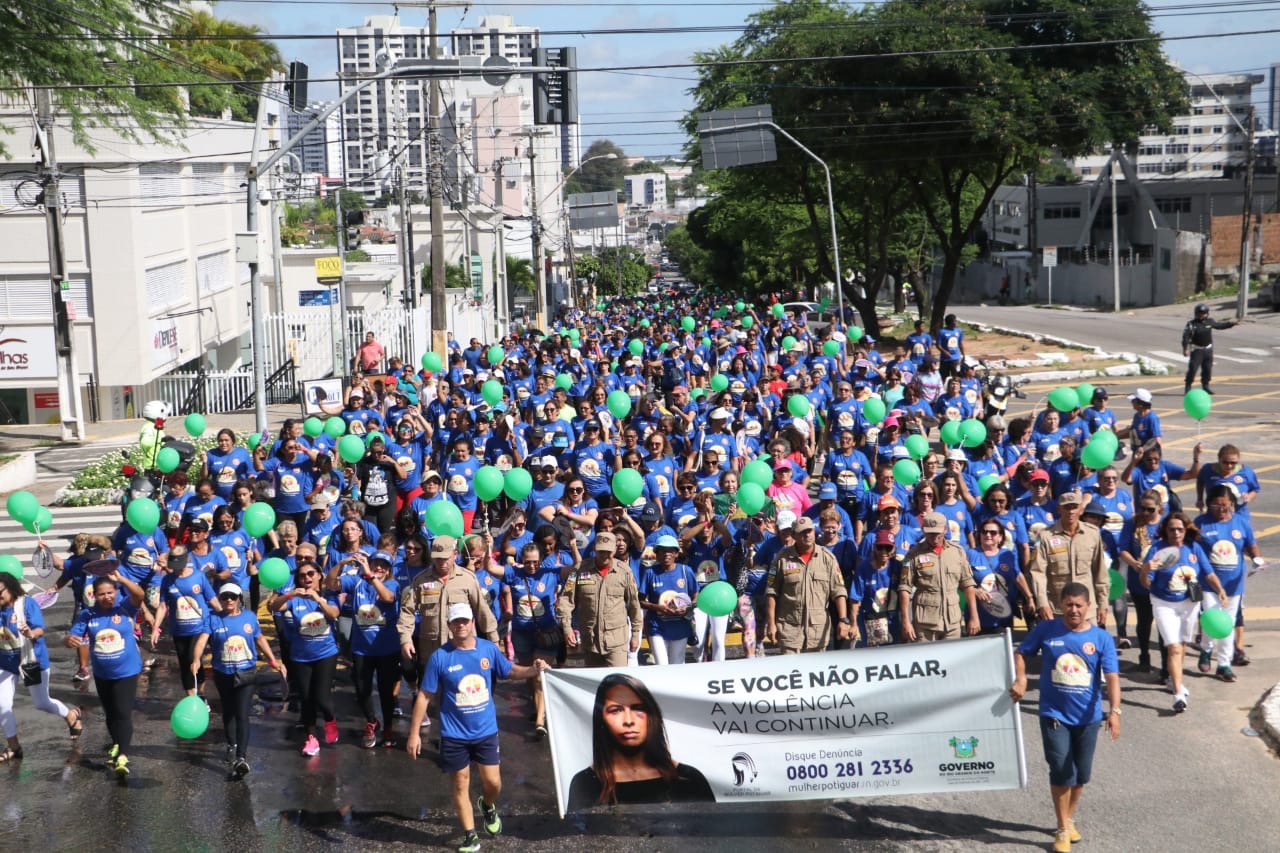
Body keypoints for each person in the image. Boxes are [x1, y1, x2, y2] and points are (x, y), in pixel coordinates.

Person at [406, 603, 548, 853]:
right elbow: (424, 696)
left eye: (464, 621)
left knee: (493, 783)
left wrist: (533, 670)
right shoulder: (440, 657)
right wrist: (414, 733)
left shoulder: (487, 649)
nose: (460, 625)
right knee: (461, 783)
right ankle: (470, 835)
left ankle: (488, 806)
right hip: (453, 734)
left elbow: (510, 672)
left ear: (472, 622)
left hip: (485, 731)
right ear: (449, 626)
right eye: (455, 622)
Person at [1009, 582, 1121, 853]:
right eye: (1068, 604)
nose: (1073, 610)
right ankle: (1061, 828)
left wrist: (1115, 711)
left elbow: (1112, 677)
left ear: (1087, 607)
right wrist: (1021, 679)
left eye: (1078, 606)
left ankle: (1067, 818)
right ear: (1061, 604)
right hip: (1053, 714)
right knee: (1061, 770)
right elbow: (1021, 652)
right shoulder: (1047, 630)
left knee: (1081, 775)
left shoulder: (1101, 638)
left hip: (1088, 717)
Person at [566, 672, 714, 811]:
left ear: (652, 715)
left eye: (638, 708)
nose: (629, 721)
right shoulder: (585, 783)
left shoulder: (690, 779)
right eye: (615, 710)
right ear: (601, 719)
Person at [189, 582, 285, 778]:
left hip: (246, 673)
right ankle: (231, 745)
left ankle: (241, 757)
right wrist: (196, 659)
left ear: (240, 598)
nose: (229, 600)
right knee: (229, 711)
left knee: (242, 713)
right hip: (223, 673)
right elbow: (201, 641)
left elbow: (259, 639)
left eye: (233, 597)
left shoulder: (249, 617)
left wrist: (272, 660)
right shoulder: (213, 618)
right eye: (224, 597)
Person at [1140, 512, 1227, 712]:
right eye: (1172, 529)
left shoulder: (1193, 548)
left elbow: (1209, 573)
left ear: (1186, 529)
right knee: (1174, 647)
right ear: (1165, 531)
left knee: (1183, 644)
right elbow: (1146, 583)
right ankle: (1178, 694)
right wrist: (1145, 570)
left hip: (1190, 602)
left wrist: (1220, 590)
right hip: (1164, 603)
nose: (1176, 533)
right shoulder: (1157, 549)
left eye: (1180, 529)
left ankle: (1174, 678)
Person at [67, 567, 148, 778]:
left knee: (122, 712)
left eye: (110, 592)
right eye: (102, 593)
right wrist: (69, 640)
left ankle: (122, 754)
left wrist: (121, 578)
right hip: (102, 673)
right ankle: (116, 743)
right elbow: (73, 637)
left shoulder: (124, 608)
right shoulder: (88, 614)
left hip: (127, 671)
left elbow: (139, 594)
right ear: (95, 595)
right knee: (110, 713)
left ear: (116, 592)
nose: (106, 597)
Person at [0, 571, 81, 762]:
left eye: (0, 591)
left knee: (41, 703)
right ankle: (14, 747)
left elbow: (39, 629)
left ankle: (70, 714)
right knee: (3, 705)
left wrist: (29, 632)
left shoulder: (27, 604)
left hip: (32, 660)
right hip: (5, 662)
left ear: (10, 588)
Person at [269, 557, 341, 755]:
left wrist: (318, 600)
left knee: (322, 698)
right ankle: (311, 738)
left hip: (326, 653)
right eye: (302, 576)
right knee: (306, 698)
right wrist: (290, 595)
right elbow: (274, 607)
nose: (307, 578)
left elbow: (333, 614)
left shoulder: (329, 594)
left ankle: (329, 719)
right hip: (301, 656)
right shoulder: (295, 597)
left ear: (319, 575)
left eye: (311, 574)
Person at [556, 531, 643, 668]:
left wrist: (636, 634)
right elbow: (566, 600)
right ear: (595, 549)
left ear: (614, 550)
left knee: (617, 681)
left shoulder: (624, 572)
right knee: (594, 685)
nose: (605, 555)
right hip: (590, 642)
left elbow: (634, 605)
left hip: (616, 641)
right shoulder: (578, 570)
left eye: (608, 551)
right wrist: (567, 628)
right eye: (601, 551)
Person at [764, 517, 851, 653]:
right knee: (791, 672)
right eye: (802, 532)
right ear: (793, 535)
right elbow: (771, 592)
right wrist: (771, 624)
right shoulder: (782, 559)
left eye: (809, 531)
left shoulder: (827, 558)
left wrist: (843, 620)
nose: (807, 535)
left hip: (817, 631)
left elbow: (839, 591)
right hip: (789, 630)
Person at [1026, 491, 1109, 627]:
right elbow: (1037, 573)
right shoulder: (1046, 536)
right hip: (1057, 609)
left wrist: (1103, 604)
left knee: (1089, 647)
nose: (1071, 511)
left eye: (1074, 507)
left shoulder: (1092, 534)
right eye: (1067, 507)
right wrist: (1042, 603)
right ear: (1059, 509)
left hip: (1087, 610)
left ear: (1081, 510)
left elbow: (1100, 572)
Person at [898, 512, 980, 641]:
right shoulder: (914, 554)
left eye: (938, 533)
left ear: (945, 530)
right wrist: (906, 622)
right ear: (924, 531)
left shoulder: (957, 551)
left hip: (952, 622)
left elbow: (968, 584)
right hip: (925, 623)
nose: (934, 537)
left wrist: (974, 617)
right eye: (930, 533)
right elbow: (904, 588)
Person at [1181, 302, 1235, 394]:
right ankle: (1188, 386)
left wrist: (1231, 323)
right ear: (1196, 313)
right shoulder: (1191, 324)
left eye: (1203, 313)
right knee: (1193, 369)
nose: (1201, 315)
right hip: (1197, 349)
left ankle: (1205, 386)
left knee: (1207, 369)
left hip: (1208, 350)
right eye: (1199, 313)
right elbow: (1185, 337)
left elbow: (1219, 326)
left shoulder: (1209, 322)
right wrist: (1185, 348)